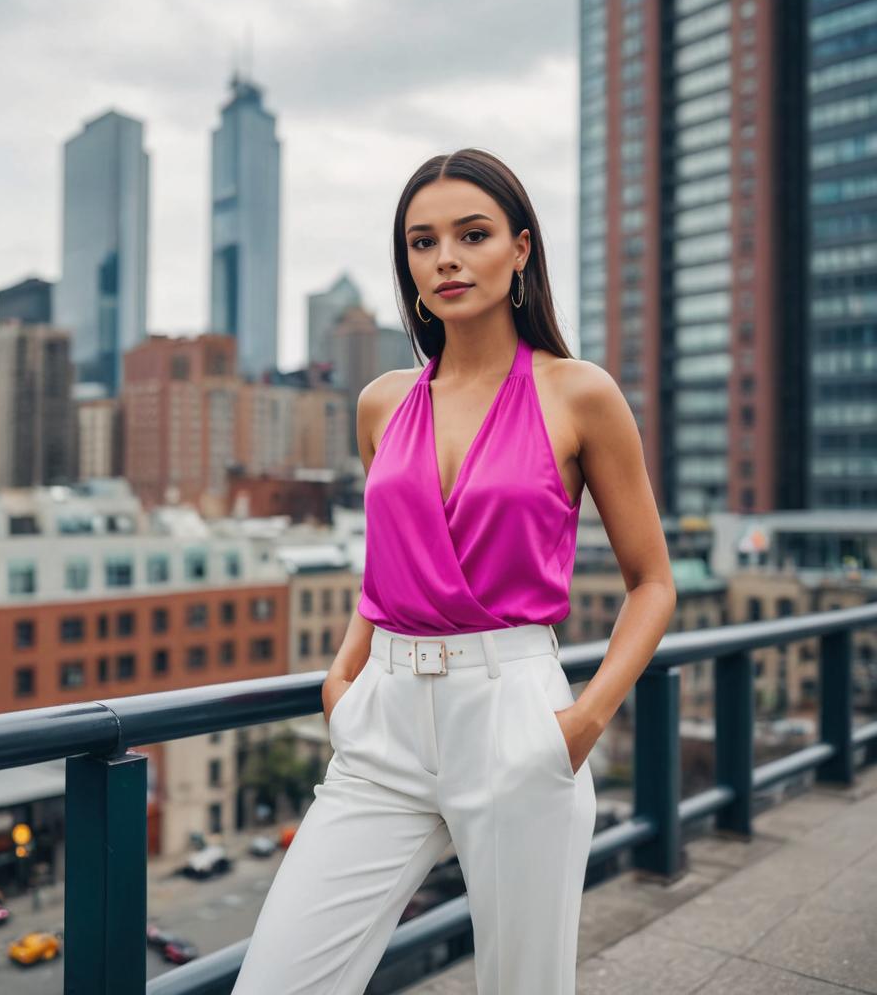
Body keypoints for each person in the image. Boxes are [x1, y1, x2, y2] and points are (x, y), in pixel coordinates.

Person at [231, 148, 676, 994]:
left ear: (520, 249)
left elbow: (653, 582)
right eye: (421, 241)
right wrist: (344, 679)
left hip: (515, 715)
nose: (445, 258)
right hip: (382, 725)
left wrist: (579, 726)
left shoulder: (580, 394)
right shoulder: (381, 402)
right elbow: (387, 562)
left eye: (471, 235)